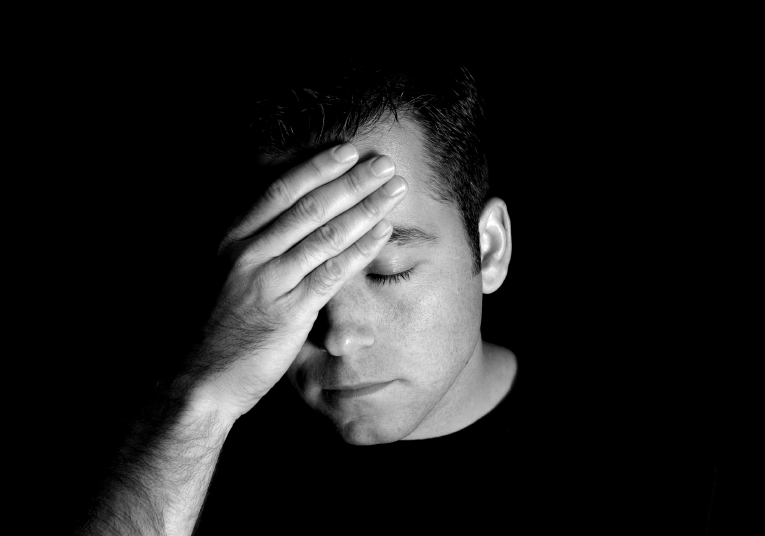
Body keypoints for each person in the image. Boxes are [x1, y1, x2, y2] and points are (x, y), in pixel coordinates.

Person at [78, 64, 523, 535]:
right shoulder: (168, 449)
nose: (339, 336)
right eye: (296, 276)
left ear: (490, 249)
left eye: (388, 272)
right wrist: (198, 404)